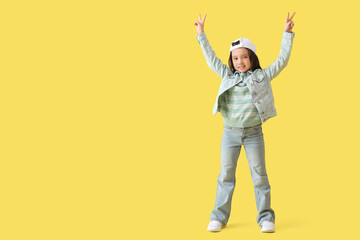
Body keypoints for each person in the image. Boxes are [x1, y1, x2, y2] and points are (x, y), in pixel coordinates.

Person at [194, 12, 295, 233]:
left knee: (259, 175)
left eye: (245, 57)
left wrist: (287, 34)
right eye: (236, 58)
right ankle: (218, 217)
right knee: (226, 175)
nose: (240, 62)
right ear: (232, 60)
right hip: (229, 133)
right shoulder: (226, 76)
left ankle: (266, 217)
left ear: (252, 58)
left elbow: (282, 61)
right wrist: (201, 34)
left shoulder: (262, 76)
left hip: (253, 134)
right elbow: (210, 58)